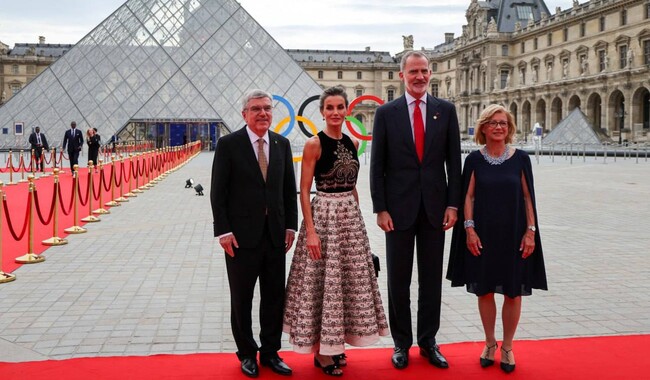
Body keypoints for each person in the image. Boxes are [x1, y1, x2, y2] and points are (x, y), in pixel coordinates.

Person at [283, 86, 389, 377]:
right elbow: (304, 190)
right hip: (324, 216)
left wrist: (357, 219)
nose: (335, 113)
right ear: (322, 112)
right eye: (329, 108)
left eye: (340, 107)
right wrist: (312, 232)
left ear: (347, 110)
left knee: (344, 283)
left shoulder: (353, 142)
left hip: (348, 220)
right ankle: (321, 352)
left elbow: (352, 184)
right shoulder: (314, 144)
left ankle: (336, 344)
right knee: (322, 283)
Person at [370, 50, 462, 370]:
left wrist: (453, 204)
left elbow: (454, 162)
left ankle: (428, 340)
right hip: (397, 210)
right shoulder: (386, 113)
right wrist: (380, 208)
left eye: (424, 71)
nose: (420, 76)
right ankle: (401, 342)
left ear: (430, 73)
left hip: (436, 209)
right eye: (413, 72)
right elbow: (377, 165)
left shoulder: (446, 111)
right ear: (402, 76)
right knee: (398, 279)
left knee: (431, 279)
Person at [446, 105, 548, 374]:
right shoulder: (474, 160)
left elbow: (528, 197)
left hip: (515, 234)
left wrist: (531, 232)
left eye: (503, 123)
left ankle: (508, 347)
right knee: (485, 289)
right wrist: (469, 229)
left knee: (513, 291)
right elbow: (467, 196)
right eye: (493, 123)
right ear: (483, 128)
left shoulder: (521, 158)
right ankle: (490, 342)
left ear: (510, 127)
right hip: (483, 234)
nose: (499, 127)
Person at [210, 89, 298, 378]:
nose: (263, 113)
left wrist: (290, 226)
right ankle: (247, 353)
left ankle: (271, 352)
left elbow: (288, 188)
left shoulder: (282, 143)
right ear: (244, 114)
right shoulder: (228, 144)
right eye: (256, 108)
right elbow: (217, 192)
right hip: (240, 238)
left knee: (274, 297)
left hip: (275, 236)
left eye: (267, 108)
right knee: (242, 299)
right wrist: (223, 231)